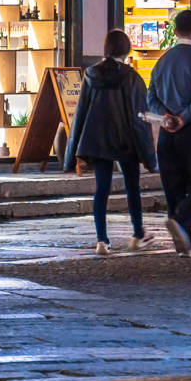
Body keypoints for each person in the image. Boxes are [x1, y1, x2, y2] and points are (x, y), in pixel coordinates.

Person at [67, 29, 157, 254]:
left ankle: (102, 240)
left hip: (97, 139)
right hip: (126, 139)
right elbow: (140, 116)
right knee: (132, 187)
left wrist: (72, 152)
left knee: (102, 189)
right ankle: (137, 234)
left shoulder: (90, 74)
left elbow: (80, 113)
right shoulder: (131, 77)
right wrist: (149, 155)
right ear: (126, 50)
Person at [148, 7, 191, 254]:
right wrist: (184, 118)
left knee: (173, 186)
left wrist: (165, 116)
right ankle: (181, 222)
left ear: (175, 31)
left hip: (167, 134)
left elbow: (151, 96)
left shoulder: (161, 61)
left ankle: (185, 244)